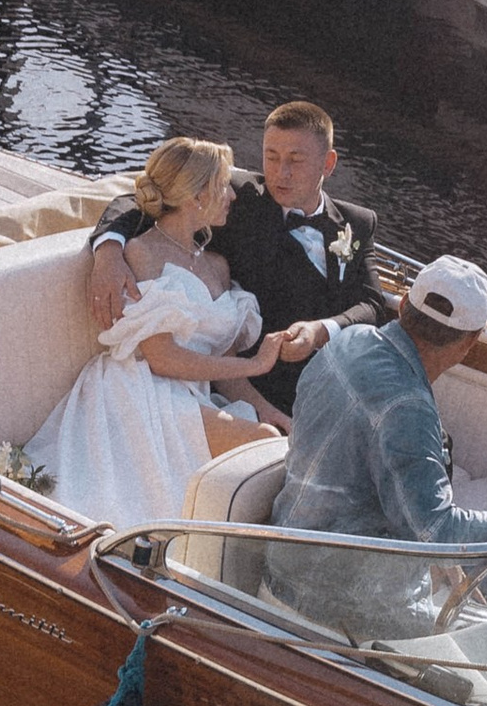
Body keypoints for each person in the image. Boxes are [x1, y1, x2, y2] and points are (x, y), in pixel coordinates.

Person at [264, 254, 487, 647]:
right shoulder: (408, 409)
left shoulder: (349, 342)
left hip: (285, 564)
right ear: (471, 342)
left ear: (404, 304)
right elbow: (436, 532)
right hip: (338, 609)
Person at [29, 141, 299, 527]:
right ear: (195, 196)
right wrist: (257, 364)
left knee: (272, 436)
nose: (233, 195)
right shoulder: (141, 253)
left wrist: (268, 408)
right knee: (260, 443)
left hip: (189, 393)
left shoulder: (217, 266)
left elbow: (220, 363)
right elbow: (163, 357)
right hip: (141, 391)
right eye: (223, 185)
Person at [217, 99, 392, 416]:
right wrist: (110, 247)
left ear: (328, 164)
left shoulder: (358, 222)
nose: (280, 173)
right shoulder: (238, 199)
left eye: (295, 161)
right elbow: (146, 197)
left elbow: (371, 303)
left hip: (332, 382)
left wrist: (320, 332)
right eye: (271, 157)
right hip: (253, 384)